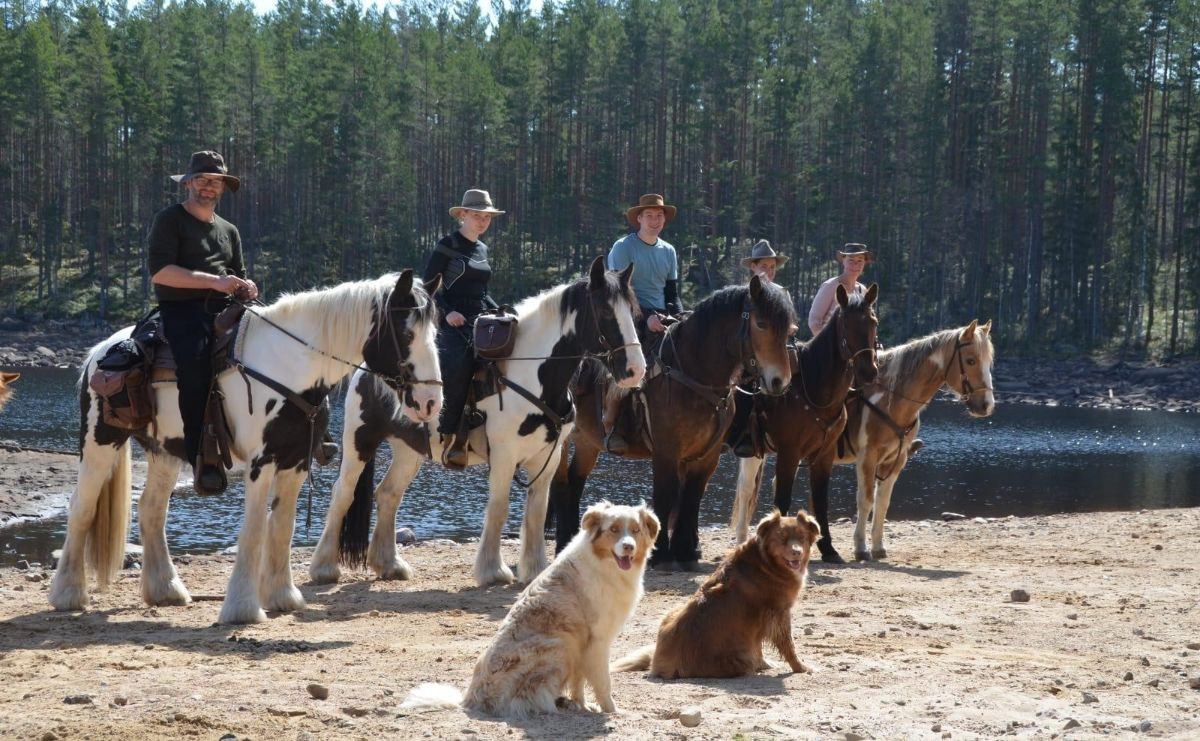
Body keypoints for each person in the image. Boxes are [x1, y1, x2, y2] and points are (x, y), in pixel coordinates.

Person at [149, 150, 258, 494]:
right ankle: (202, 458)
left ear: (223, 188)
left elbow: (238, 275)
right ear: (189, 183)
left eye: (216, 182)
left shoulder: (230, 230)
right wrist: (214, 282)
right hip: (183, 312)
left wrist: (248, 286)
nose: (210, 187)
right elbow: (161, 273)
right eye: (203, 180)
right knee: (195, 371)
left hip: (228, 309)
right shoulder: (170, 220)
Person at [422, 189, 504, 468]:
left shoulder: (482, 249)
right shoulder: (448, 245)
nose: (483, 222)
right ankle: (452, 433)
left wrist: (501, 309)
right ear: (463, 215)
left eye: (487, 218)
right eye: (478, 216)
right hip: (449, 319)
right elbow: (428, 287)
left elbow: (481, 291)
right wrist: (447, 313)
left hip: (479, 318)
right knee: (460, 362)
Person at [602, 194, 683, 454]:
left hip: (661, 316)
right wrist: (646, 317)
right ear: (639, 218)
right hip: (628, 314)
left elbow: (673, 294)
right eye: (649, 215)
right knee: (633, 364)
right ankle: (616, 427)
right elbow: (618, 291)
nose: (655, 220)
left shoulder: (668, 251)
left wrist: (679, 317)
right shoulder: (623, 247)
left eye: (659, 216)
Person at [808, 243, 872, 337]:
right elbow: (814, 321)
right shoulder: (830, 286)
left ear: (864, 263)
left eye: (859, 260)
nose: (855, 264)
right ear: (843, 261)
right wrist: (827, 343)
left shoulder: (863, 290)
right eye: (851, 260)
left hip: (854, 347)